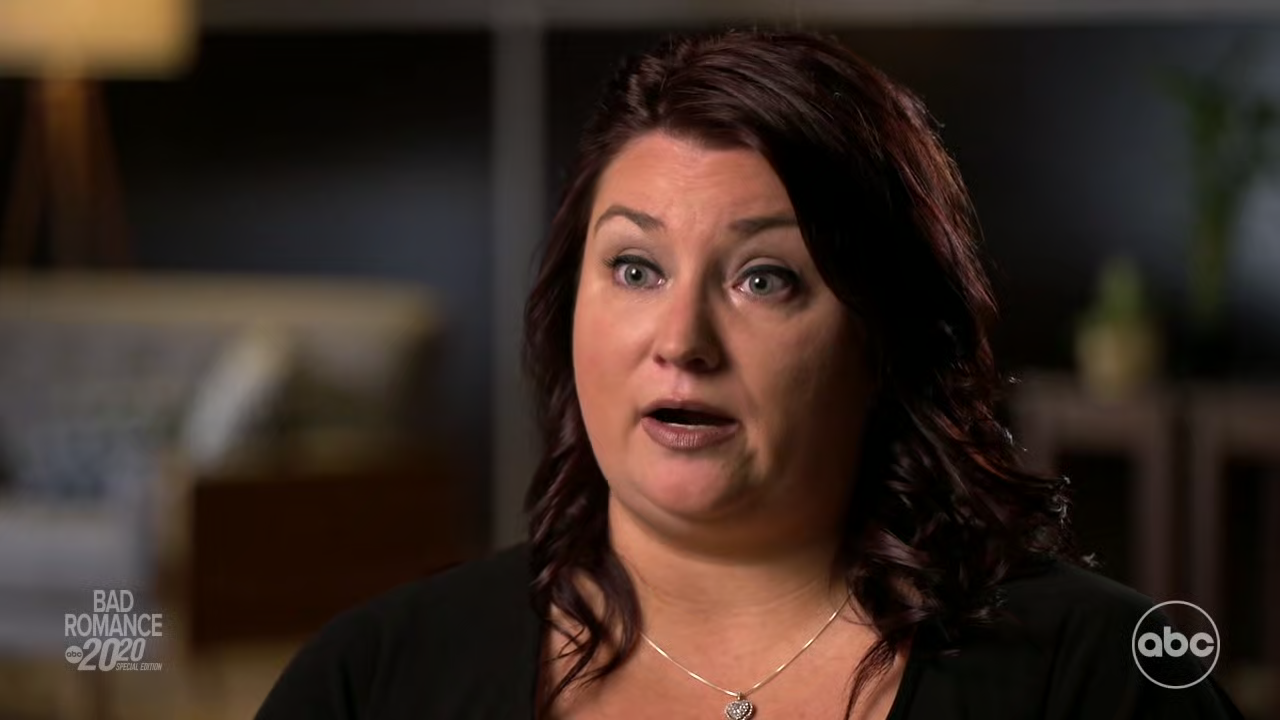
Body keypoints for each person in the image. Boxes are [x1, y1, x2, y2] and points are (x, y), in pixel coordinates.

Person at [255, 29, 1244, 719]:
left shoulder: (1102, 678)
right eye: (634, 269)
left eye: (764, 279)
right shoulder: (373, 680)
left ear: (882, 338)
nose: (681, 340)